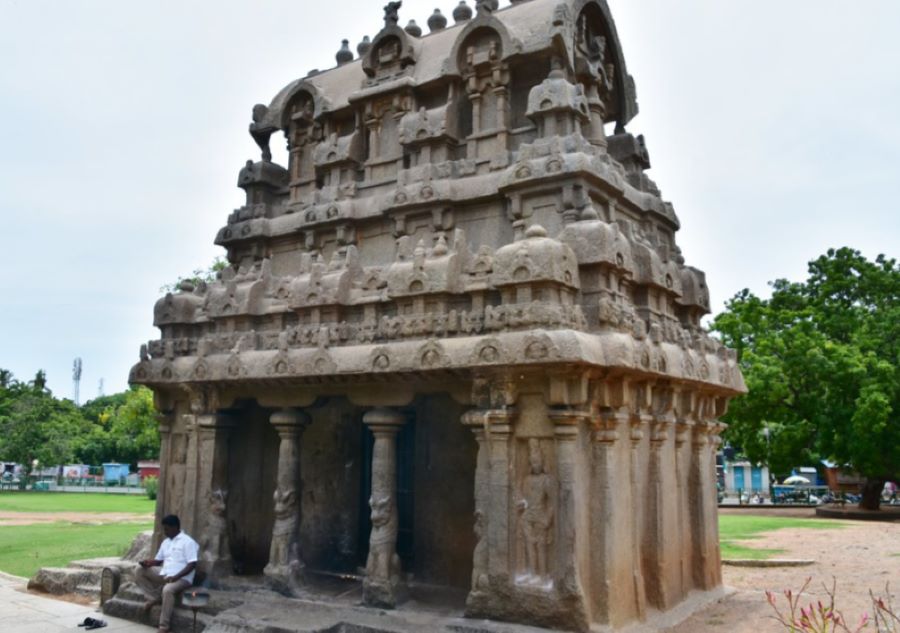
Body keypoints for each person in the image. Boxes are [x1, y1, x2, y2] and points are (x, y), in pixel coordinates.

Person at [135, 514, 199, 633]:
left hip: (182, 578)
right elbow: (159, 561)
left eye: (167, 529)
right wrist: (148, 563)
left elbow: (192, 564)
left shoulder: (188, 542)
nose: (165, 531)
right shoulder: (166, 542)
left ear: (175, 527)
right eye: (164, 528)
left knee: (168, 589)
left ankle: (164, 626)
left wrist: (176, 576)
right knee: (139, 570)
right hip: (166, 573)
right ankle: (154, 598)